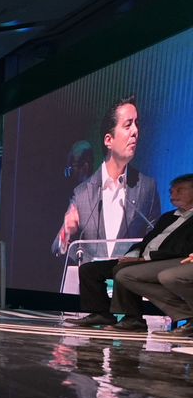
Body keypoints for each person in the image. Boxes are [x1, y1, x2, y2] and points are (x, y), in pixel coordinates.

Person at [53, 100, 160, 283]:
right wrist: (66, 231)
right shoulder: (82, 193)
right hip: (92, 291)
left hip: (128, 290)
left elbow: (155, 243)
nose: (135, 131)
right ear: (108, 140)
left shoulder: (147, 188)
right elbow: (56, 248)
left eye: (136, 123)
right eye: (128, 125)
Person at [69, 174, 193, 332]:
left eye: (180, 190)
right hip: (143, 258)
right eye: (171, 191)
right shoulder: (168, 217)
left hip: (165, 260)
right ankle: (101, 313)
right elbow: (146, 241)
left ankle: (132, 318)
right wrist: (134, 255)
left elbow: (183, 249)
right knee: (89, 269)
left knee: (123, 271)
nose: (173, 194)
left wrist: (146, 259)